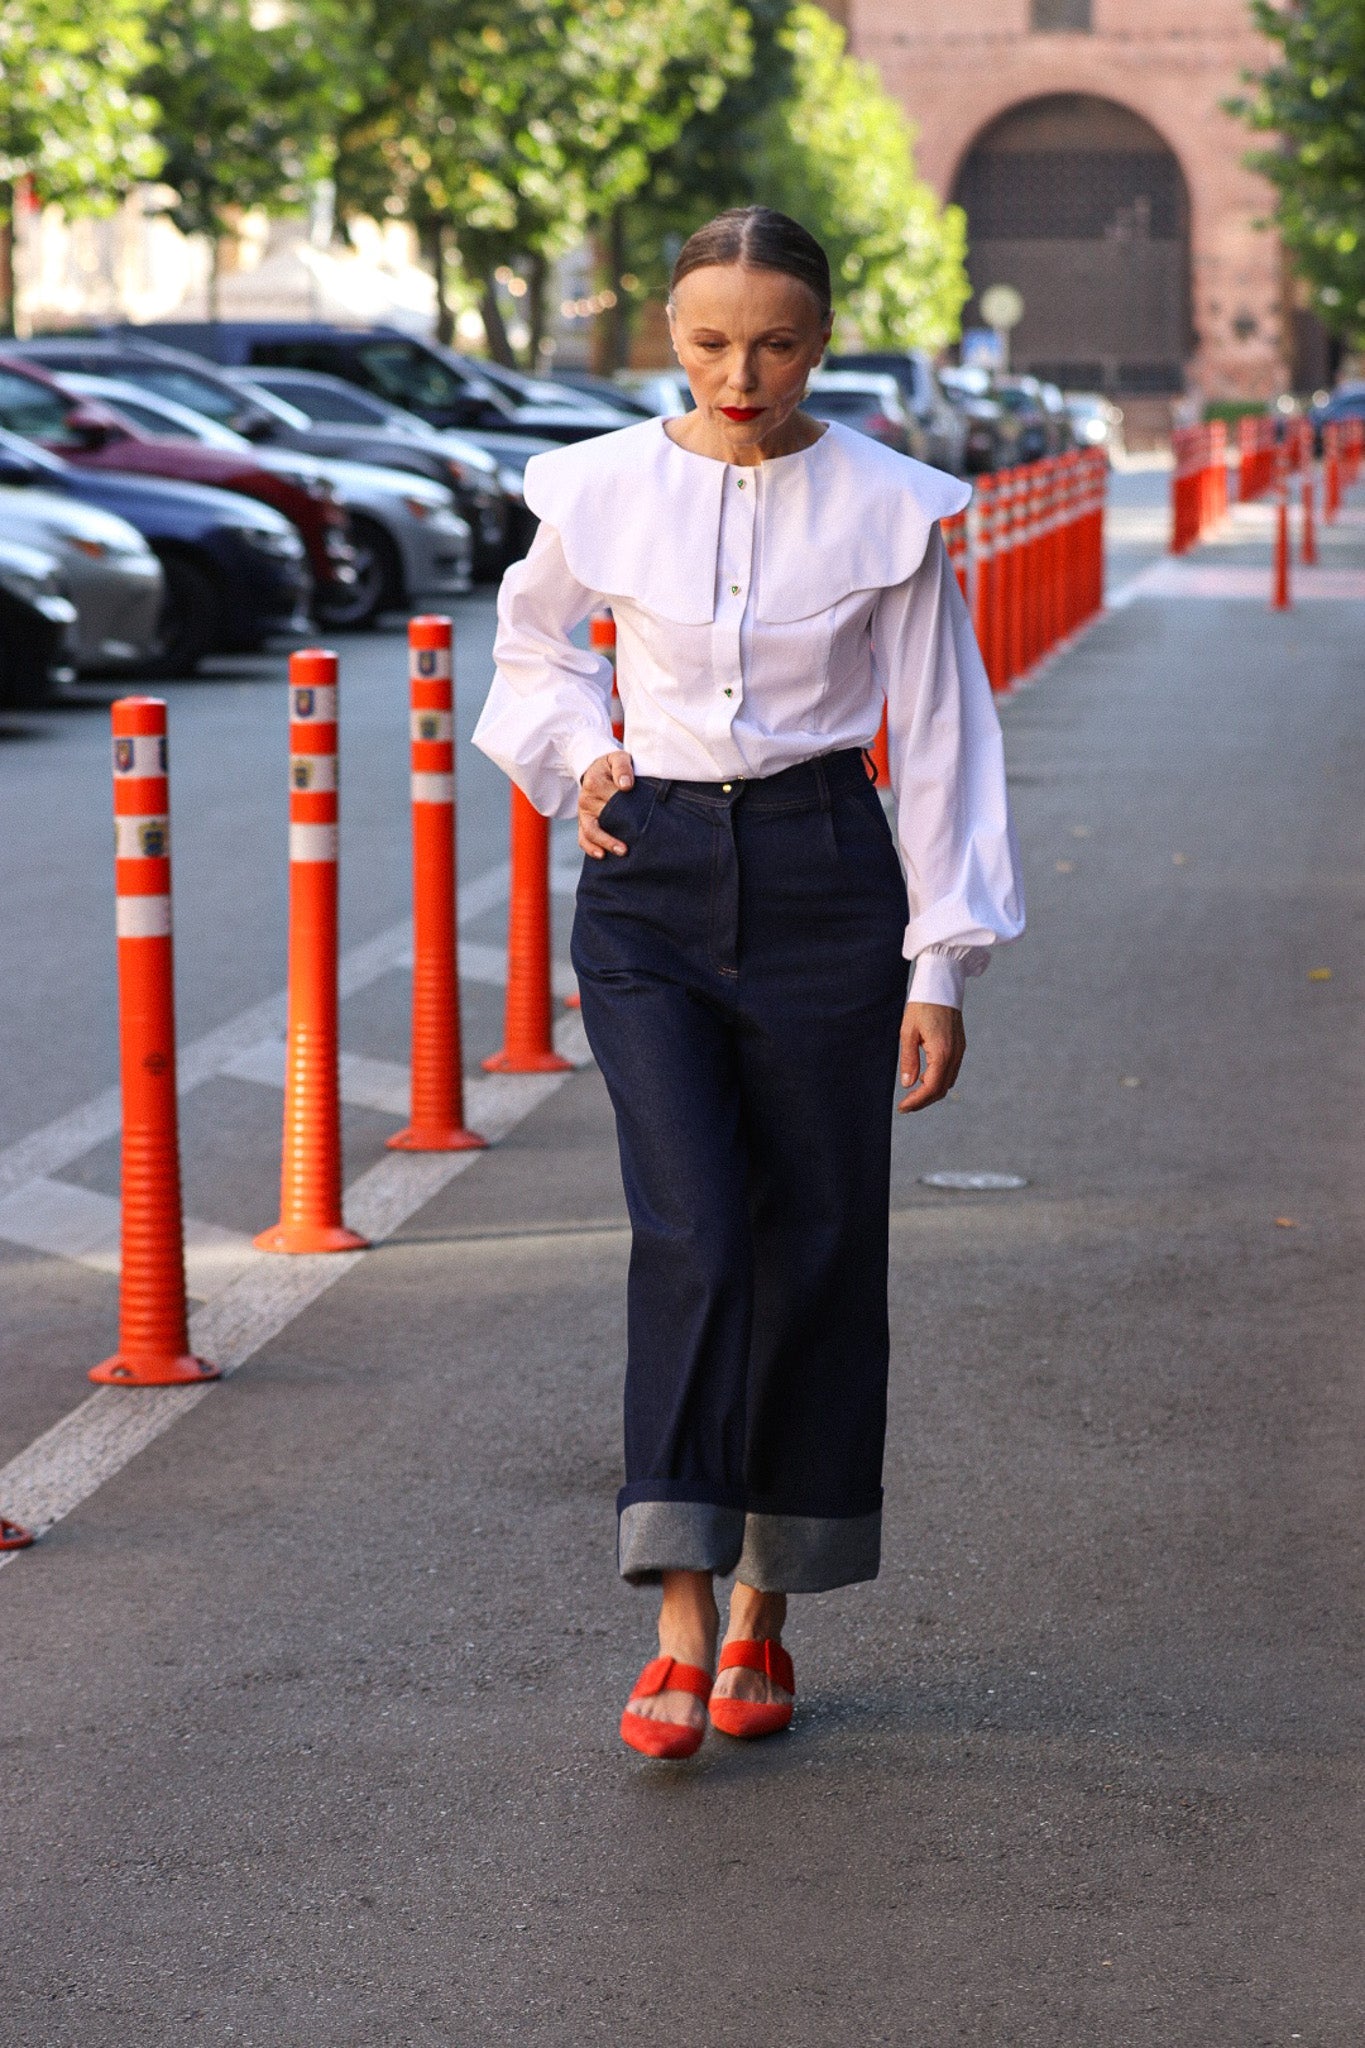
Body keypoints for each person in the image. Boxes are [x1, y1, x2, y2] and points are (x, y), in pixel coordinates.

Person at [474, 207, 1023, 1760]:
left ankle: (768, 1613)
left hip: (826, 879)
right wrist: (584, 759)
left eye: (773, 343)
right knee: (696, 1228)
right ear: (667, 329)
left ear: (820, 342)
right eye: (709, 341)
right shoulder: (596, 488)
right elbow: (530, 654)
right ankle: (675, 1609)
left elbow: (942, 738)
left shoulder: (886, 509)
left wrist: (943, 965)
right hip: (647, 886)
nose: (739, 372)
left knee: (820, 1239)